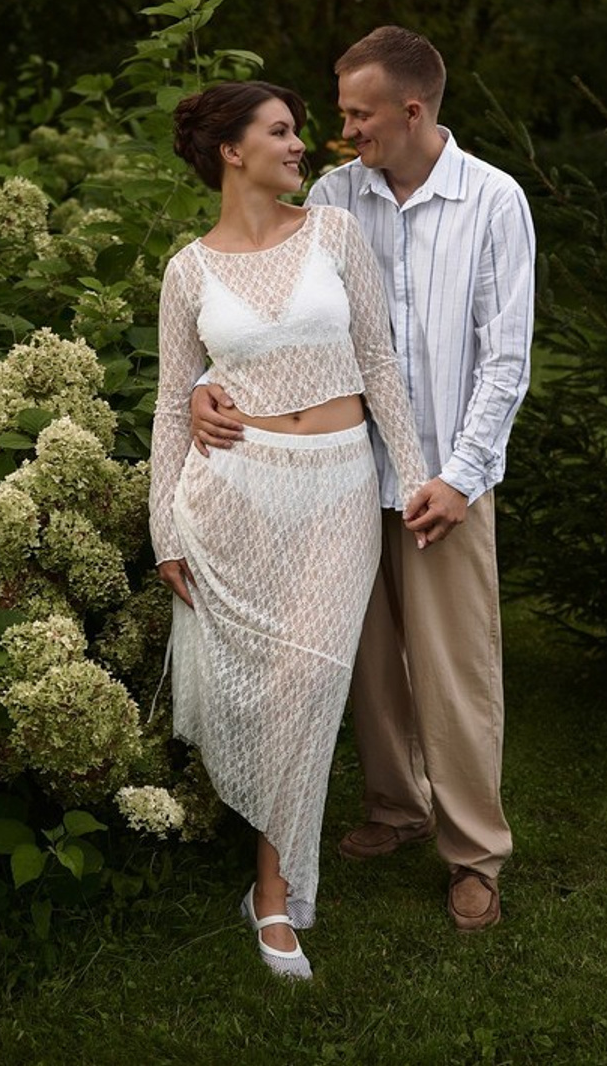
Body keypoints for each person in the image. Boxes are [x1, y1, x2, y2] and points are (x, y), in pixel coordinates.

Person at [192, 28, 535, 932]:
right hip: (339, 478)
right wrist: (201, 387)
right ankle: (396, 806)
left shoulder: (492, 201)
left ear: (410, 111)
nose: (340, 132)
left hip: (443, 485)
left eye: (357, 114)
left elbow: (505, 360)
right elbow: (273, 315)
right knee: (370, 667)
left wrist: (459, 477)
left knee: (455, 674)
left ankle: (474, 853)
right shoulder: (334, 199)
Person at [150, 80, 440, 980]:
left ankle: (273, 893)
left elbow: (379, 364)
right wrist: (163, 531)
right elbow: (170, 402)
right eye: (279, 131)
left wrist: (417, 479)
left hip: (336, 489)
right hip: (233, 495)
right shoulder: (188, 270)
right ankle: (276, 890)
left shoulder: (334, 234)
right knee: (259, 690)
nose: (298, 145)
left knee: (308, 682)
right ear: (230, 150)